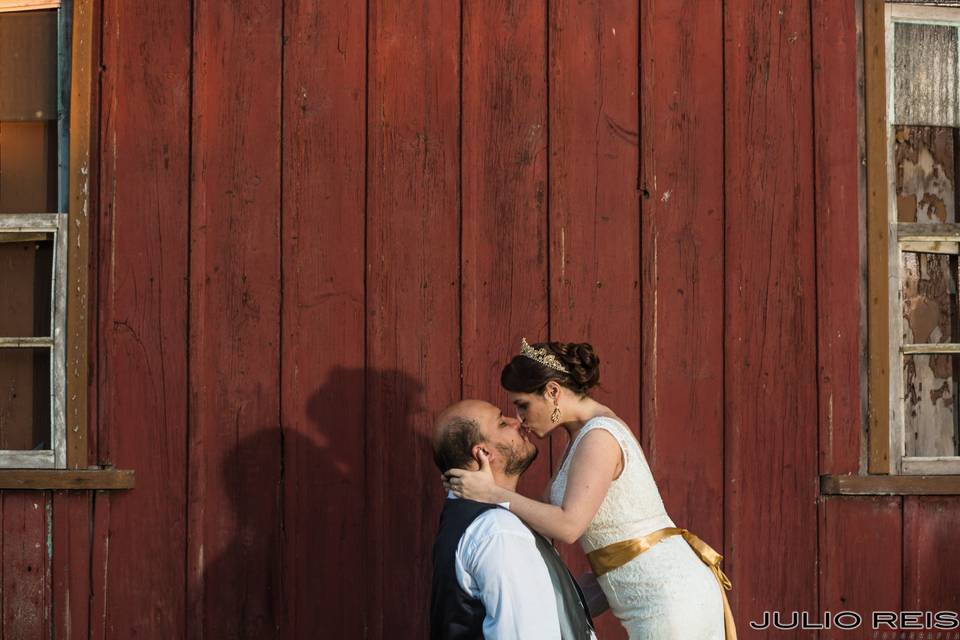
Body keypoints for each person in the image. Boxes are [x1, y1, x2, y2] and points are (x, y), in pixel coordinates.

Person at [444, 340, 736, 640]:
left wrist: (492, 493)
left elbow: (568, 525)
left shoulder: (598, 437)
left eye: (523, 405)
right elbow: (542, 520)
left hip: (670, 598)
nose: (520, 419)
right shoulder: (581, 437)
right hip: (651, 599)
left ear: (553, 391)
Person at [430, 399, 599, 640]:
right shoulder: (498, 531)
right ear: (484, 453)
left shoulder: (470, 520)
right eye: (502, 422)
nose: (516, 421)